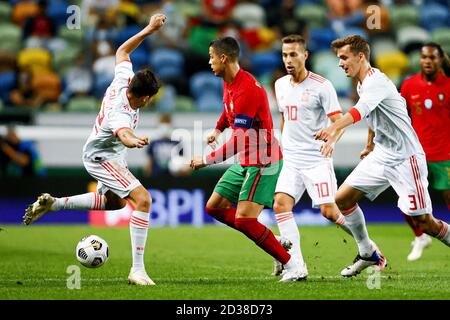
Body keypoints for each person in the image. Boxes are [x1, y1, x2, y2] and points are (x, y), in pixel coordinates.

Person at [23, 13, 167, 286]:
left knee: (116, 202)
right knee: (143, 200)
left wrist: (148, 29)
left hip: (105, 153)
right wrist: (132, 140)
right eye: (151, 99)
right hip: (102, 158)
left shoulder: (124, 80)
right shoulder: (121, 113)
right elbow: (123, 133)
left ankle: (55, 204)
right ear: (145, 97)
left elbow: (122, 50)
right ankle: (137, 271)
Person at [315, 35, 450, 276]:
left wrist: (334, 127)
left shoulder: (376, 82)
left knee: (423, 222)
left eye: (344, 57)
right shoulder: (361, 83)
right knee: (343, 199)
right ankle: (367, 252)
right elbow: (373, 117)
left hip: (406, 158)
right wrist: (369, 145)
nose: (340, 63)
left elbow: (359, 111)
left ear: (360, 56)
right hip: (382, 153)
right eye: (338, 59)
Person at [190, 36, 300, 282]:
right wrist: (218, 130)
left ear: (223, 58)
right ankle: (273, 242)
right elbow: (227, 109)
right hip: (246, 159)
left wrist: (206, 160)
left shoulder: (247, 89)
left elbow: (239, 139)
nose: (209, 62)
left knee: (245, 219)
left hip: (264, 159)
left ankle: (294, 265)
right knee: (214, 207)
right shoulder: (228, 82)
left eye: (211, 57)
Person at [271, 34, 380, 279]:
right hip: (291, 159)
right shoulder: (280, 85)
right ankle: (296, 266)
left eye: (293, 54)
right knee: (280, 205)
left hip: (316, 159)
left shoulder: (322, 86)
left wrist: (331, 141)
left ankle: (369, 248)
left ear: (305, 55)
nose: (288, 60)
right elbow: (284, 117)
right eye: (284, 55)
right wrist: (281, 142)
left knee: (329, 211)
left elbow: (338, 123)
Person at [400, 42, 450, 261]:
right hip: (416, 153)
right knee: (405, 197)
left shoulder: (448, 85)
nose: (428, 61)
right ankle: (420, 237)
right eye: (424, 57)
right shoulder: (409, 85)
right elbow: (400, 116)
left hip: (445, 153)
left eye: (432, 58)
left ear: (440, 60)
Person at [144, 113, 190, 177]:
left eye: (167, 123)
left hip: (174, 178)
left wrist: (184, 170)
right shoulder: (154, 143)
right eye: (163, 124)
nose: (165, 127)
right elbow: (149, 163)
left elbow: (184, 161)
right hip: (157, 177)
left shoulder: (177, 143)